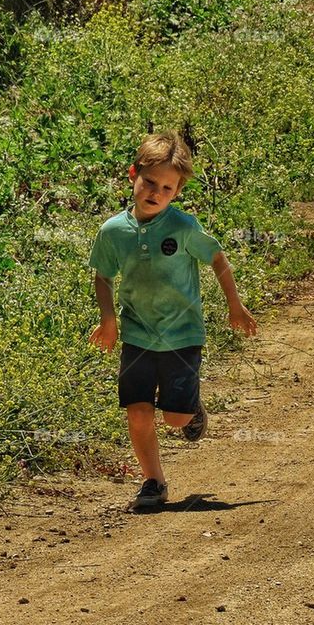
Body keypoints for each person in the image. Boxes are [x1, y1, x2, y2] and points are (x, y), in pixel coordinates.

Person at [87, 131, 258, 510]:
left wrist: (235, 305)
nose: (155, 192)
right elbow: (103, 275)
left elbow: (217, 258)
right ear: (133, 174)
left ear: (176, 192)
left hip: (182, 335)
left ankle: (192, 408)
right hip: (136, 335)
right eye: (149, 182)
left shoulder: (182, 227)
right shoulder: (113, 231)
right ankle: (153, 481)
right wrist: (108, 319)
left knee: (176, 421)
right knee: (137, 411)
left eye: (167, 187)